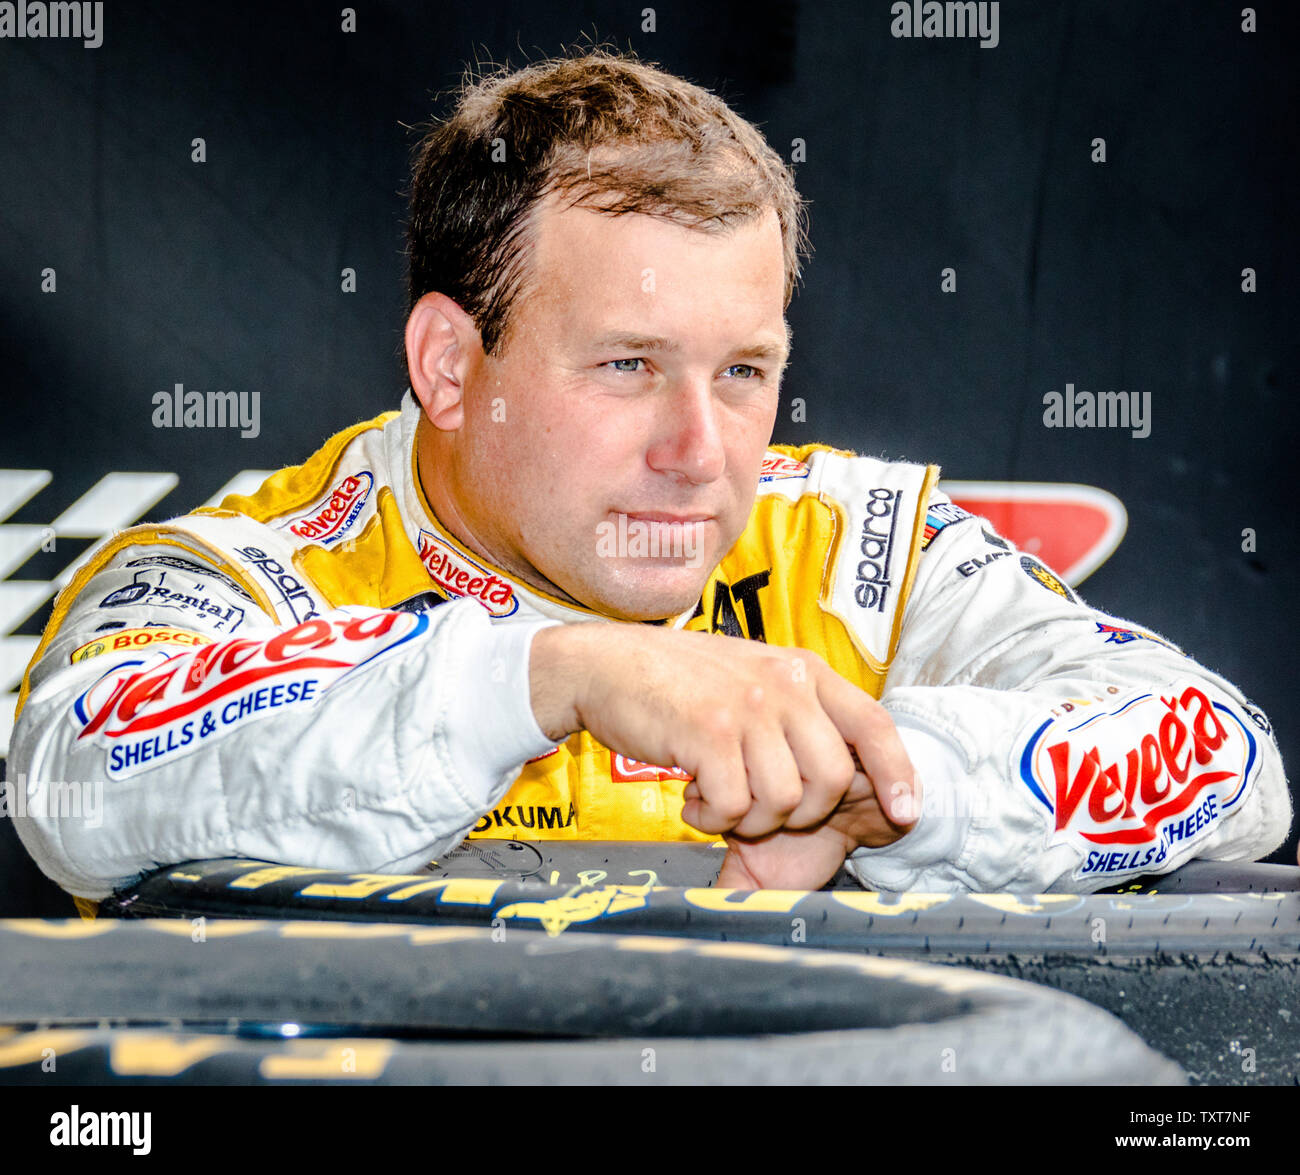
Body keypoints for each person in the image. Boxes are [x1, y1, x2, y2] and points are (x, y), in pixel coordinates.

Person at [8, 50, 1291, 910]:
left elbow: (1226, 758)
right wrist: (562, 671)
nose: (700, 451)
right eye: (627, 365)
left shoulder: (856, 545)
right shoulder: (242, 570)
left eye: (741, 371)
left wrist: (894, 787)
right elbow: (69, 773)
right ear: (451, 367)